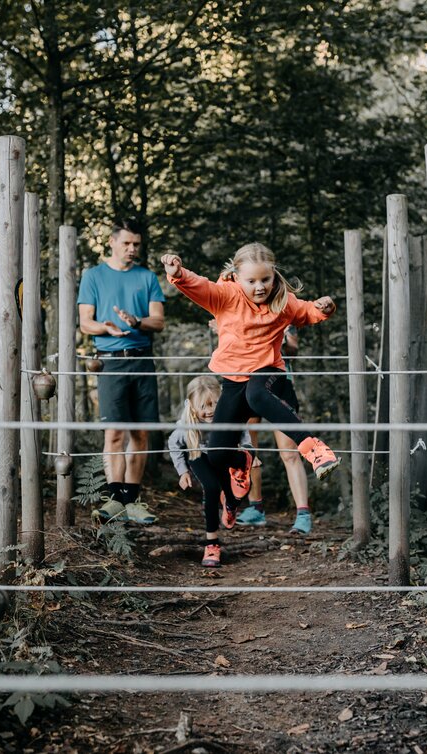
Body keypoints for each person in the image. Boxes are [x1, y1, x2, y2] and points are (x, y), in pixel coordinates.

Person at [160, 242, 339, 550]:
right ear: (237, 277)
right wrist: (177, 274)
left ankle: (314, 447)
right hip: (232, 381)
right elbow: (198, 286)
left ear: (274, 276)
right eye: (252, 281)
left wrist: (323, 308)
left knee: (256, 394)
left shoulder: (283, 301)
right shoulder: (226, 296)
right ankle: (235, 486)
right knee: (216, 454)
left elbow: (307, 311)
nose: (259, 287)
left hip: (269, 374)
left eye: (265, 280)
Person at [78, 218, 165, 521]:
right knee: (114, 432)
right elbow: (85, 321)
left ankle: (132, 501)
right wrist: (105, 327)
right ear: (112, 242)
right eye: (126, 243)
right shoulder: (93, 276)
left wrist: (136, 322)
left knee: (141, 433)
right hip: (110, 359)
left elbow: (159, 320)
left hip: (142, 358)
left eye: (136, 245)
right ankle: (114, 501)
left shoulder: (147, 277)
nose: (131, 249)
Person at [167, 376, 258, 567]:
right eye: (204, 406)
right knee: (210, 488)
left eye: (214, 404)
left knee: (231, 488)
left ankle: (231, 502)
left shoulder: (228, 415)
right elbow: (173, 443)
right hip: (198, 454)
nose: (210, 411)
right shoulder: (187, 425)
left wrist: (250, 451)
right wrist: (183, 472)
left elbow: (242, 432)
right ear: (192, 406)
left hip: (224, 454)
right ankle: (212, 544)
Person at [239, 325, 314, 535]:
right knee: (249, 451)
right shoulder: (240, 310)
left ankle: (303, 515)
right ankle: (256, 508)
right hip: (247, 381)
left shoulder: (285, 314)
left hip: (280, 383)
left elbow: (293, 350)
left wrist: (281, 342)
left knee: (289, 453)